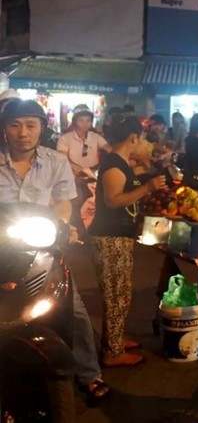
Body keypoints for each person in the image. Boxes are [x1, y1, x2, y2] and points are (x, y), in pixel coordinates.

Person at [0, 99, 110, 402]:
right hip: (1, 248)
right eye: (15, 124)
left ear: (41, 129)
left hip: (40, 246)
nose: (23, 132)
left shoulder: (55, 161)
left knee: (72, 307)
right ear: (5, 130)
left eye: (30, 125)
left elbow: (63, 201)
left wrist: (63, 225)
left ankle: (89, 373)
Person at [89, 114, 166, 367]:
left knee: (120, 292)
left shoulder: (120, 161)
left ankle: (115, 339)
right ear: (134, 137)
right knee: (116, 294)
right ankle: (112, 353)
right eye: (140, 138)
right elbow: (113, 200)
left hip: (118, 235)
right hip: (109, 237)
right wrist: (148, 188)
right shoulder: (113, 165)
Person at [57, 106, 110, 176]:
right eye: (81, 120)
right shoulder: (65, 139)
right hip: (73, 173)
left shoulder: (95, 137)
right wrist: (77, 169)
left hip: (93, 172)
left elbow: (110, 149)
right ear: (75, 122)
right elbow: (62, 159)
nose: (85, 124)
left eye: (88, 120)